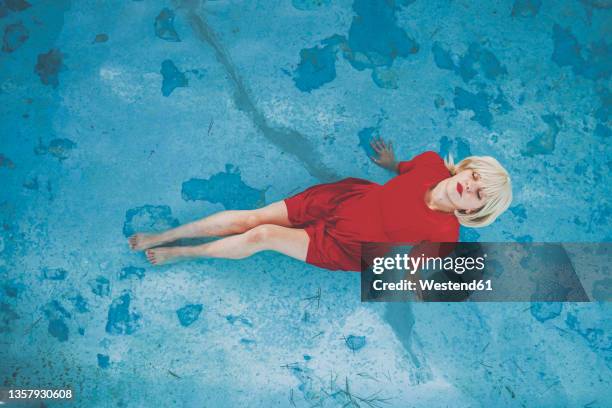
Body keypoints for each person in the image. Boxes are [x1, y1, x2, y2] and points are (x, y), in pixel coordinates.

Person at [128, 138, 512, 271]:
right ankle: (166, 234)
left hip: (343, 247)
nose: (470, 187)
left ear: (474, 212)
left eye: (480, 195)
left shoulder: (446, 233)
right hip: (341, 200)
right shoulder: (429, 162)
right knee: (253, 217)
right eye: (475, 176)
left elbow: (406, 268)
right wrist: (392, 164)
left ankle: (184, 254)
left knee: (262, 235)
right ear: (466, 168)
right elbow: (407, 170)